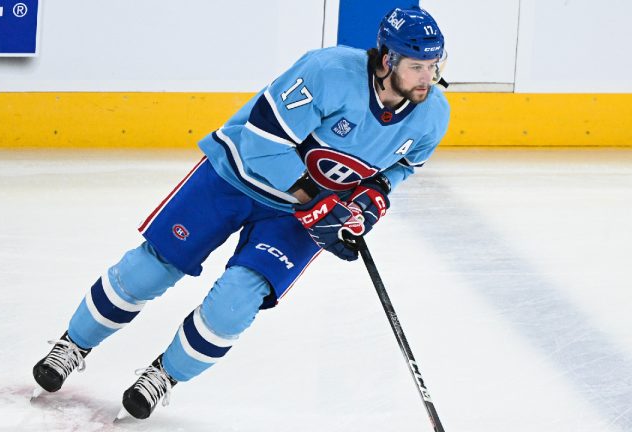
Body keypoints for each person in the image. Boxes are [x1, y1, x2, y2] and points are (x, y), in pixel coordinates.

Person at [31, 6, 450, 420]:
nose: (427, 78)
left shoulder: (433, 114)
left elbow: (399, 167)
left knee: (235, 304)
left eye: (434, 65)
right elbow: (261, 143)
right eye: (417, 66)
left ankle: (163, 376)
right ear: (387, 58)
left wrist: (369, 200)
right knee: (152, 269)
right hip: (234, 177)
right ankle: (73, 344)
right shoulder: (327, 71)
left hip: (295, 217)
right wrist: (315, 201)